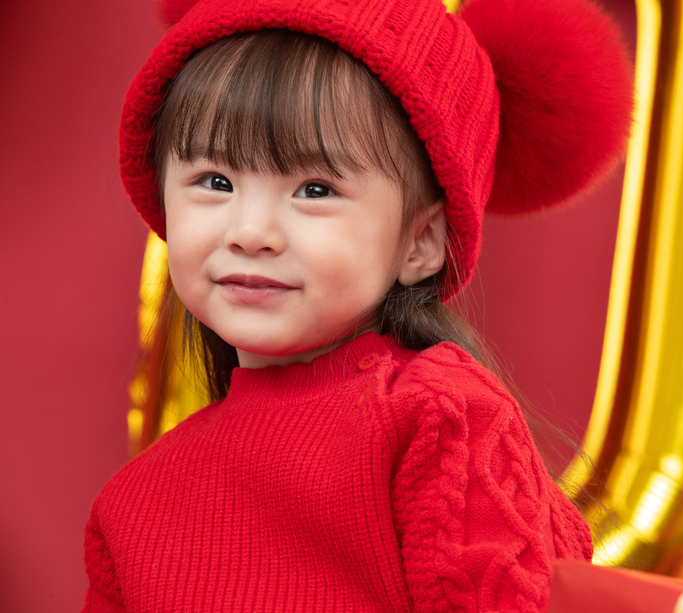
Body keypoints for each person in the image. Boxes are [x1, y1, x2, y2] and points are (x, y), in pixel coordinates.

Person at [82, 0, 633, 610]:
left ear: (421, 243)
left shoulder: (441, 421)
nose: (251, 231)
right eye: (216, 182)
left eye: (315, 189)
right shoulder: (130, 506)